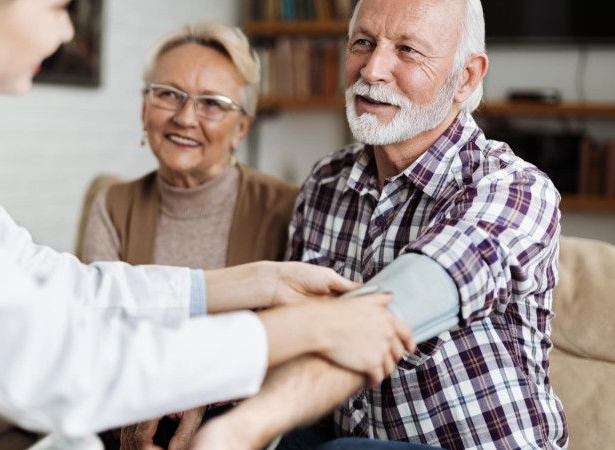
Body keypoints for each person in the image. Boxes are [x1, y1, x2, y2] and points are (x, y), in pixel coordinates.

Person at [0, 1, 416, 449]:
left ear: (243, 125)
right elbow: (66, 362)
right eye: (57, 4)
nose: (68, 29)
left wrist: (256, 282)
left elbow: (59, 283)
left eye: (212, 103)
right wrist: (307, 328)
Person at [189, 0, 568, 448]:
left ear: (465, 77)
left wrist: (245, 425)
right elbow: (295, 334)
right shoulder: (326, 182)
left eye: (407, 50)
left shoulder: (514, 188)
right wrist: (204, 393)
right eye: (363, 43)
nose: (372, 70)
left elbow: (401, 305)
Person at [78, 21, 299, 450]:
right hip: (123, 413)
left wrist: (199, 394)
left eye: (212, 104)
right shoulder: (112, 204)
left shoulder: (287, 208)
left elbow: (289, 349)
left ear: (242, 127)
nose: (184, 117)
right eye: (168, 94)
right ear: (145, 107)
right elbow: (98, 336)